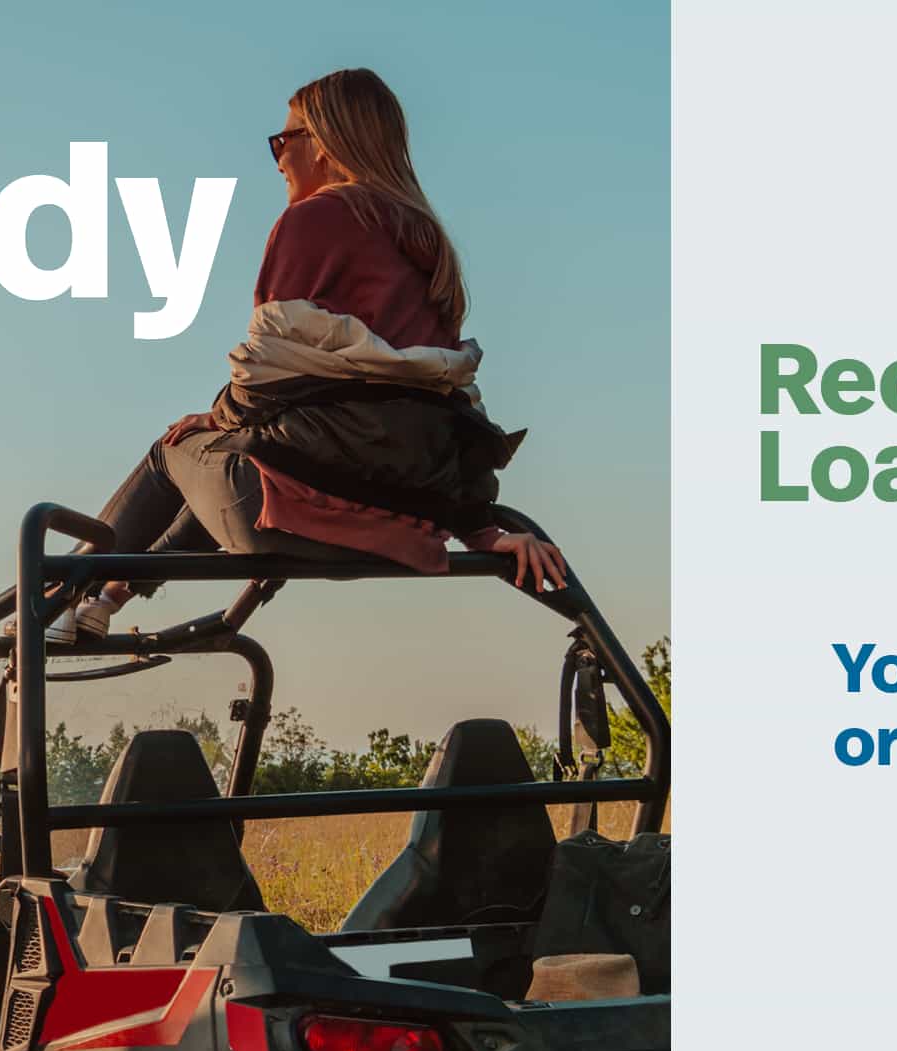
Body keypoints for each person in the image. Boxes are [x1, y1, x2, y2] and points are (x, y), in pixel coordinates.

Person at [40, 67, 572, 642]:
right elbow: (445, 409)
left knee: (173, 452)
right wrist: (484, 532)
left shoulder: (314, 219)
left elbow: (264, 371)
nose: (278, 158)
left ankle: (49, 605)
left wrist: (218, 416)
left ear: (323, 145)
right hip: (403, 521)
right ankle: (105, 599)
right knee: (237, 450)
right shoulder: (428, 246)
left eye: (285, 139)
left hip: (291, 509)